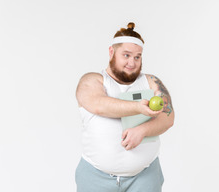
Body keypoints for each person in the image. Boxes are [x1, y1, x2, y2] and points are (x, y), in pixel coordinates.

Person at [75, 22, 174, 192]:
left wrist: (143, 130)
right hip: (95, 177)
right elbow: (99, 105)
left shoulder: (151, 82)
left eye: (137, 57)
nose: (132, 63)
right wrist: (139, 108)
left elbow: (168, 117)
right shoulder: (92, 80)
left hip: (145, 177)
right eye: (126, 55)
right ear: (111, 52)